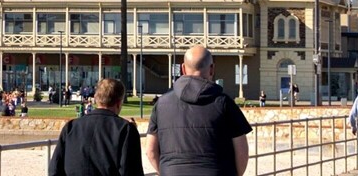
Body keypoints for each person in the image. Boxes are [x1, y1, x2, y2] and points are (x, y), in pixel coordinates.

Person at [144, 46, 253, 176]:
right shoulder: (224, 103)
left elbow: (150, 150)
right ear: (212, 69)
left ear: (183, 68)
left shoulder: (161, 103)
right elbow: (242, 151)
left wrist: (164, 172)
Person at [49, 78, 143, 176]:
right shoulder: (125, 130)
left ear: (95, 98)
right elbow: (131, 171)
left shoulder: (71, 127)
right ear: (119, 103)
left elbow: (54, 169)